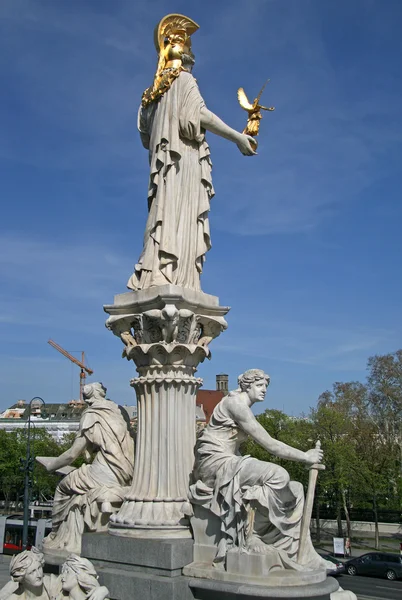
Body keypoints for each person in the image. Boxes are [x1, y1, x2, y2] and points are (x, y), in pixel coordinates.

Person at [127, 14, 256, 292]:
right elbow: (196, 116)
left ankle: (158, 271)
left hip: (164, 172)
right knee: (178, 217)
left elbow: (144, 136)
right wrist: (237, 137)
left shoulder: (150, 94)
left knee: (165, 216)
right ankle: (174, 275)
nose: (192, 54)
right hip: (183, 164)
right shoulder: (183, 82)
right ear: (183, 54)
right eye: (189, 48)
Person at [190, 369, 333, 571]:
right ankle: (253, 535)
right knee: (278, 475)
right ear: (247, 386)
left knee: (296, 489)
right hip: (214, 464)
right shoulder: (236, 404)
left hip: (229, 460)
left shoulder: (239, 404)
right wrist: (305, 456)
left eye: (266, 386)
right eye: (260, 385)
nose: (264, 390)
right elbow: (270, 444)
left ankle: (306, 555)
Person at [37, 383, 134, 554]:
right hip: (126, 471)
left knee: (63, 487)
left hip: (103, 473)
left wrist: (51, 466)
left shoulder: (90, 415)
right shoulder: (118, 411)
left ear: (87, 398)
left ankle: (55, 533)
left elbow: (72, 455)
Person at [0, 548, 108, 600]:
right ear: (22, 578)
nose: (38, 574)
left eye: (39, 568)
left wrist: (102, 590)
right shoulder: (14, 596)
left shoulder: (52, 583)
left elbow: (81, 578)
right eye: (32, 572)